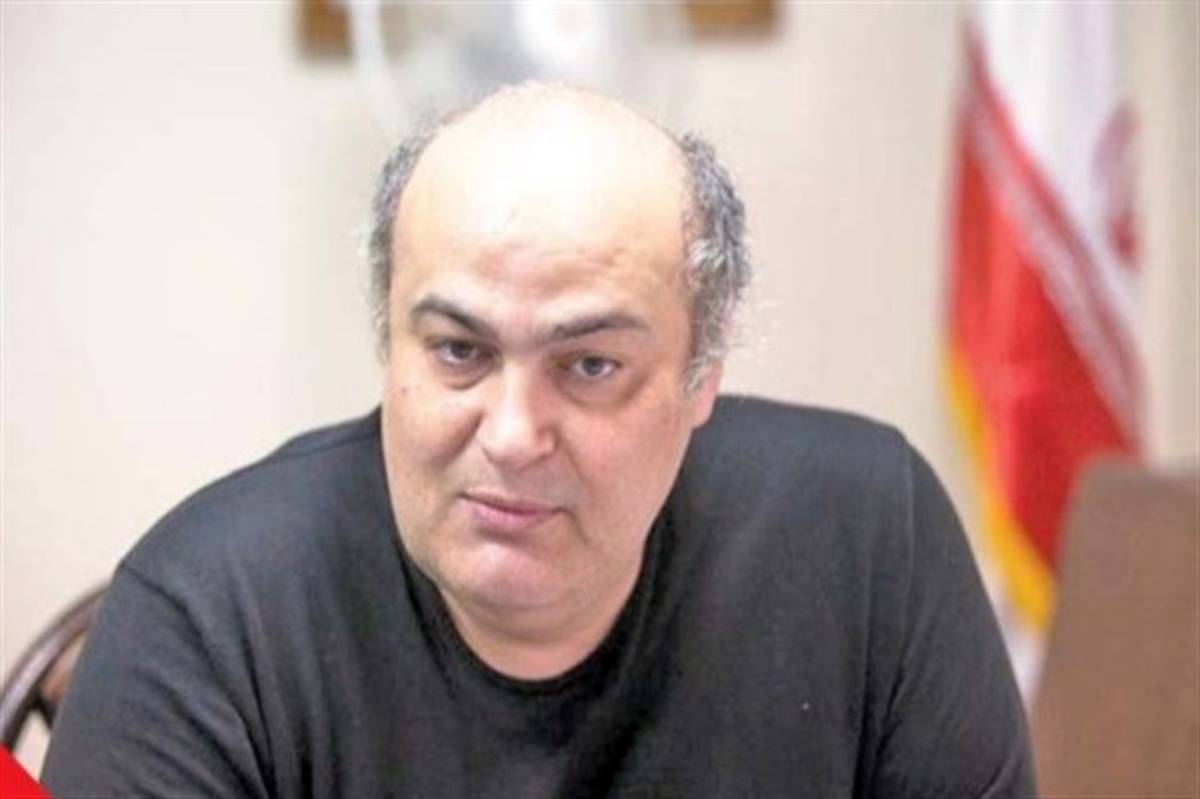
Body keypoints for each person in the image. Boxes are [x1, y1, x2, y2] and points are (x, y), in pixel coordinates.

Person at [42, 84, 1035, 797]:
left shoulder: (869, 539)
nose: (514, 436)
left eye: (590, 365)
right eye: (459, 351)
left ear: (704, 375)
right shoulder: (208, 613)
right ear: (388, 344)